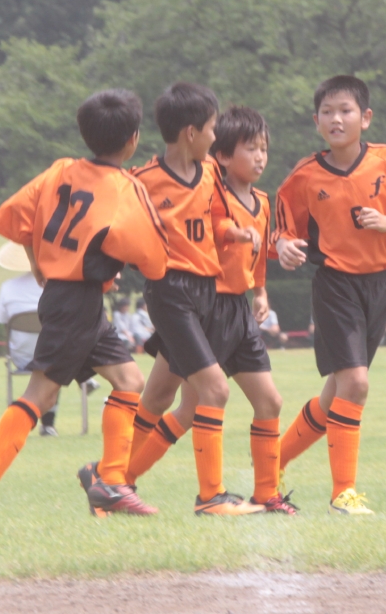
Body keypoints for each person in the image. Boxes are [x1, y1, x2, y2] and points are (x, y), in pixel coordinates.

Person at [0, 89, 168, 518]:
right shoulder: (125, 186)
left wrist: (38, 261)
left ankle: (108, 480)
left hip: (68, 297)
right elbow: (155, 258)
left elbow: (15, 216)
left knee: (128, 380)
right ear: (133, 140)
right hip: (77, 301)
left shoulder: (60, 170)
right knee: (41, 393)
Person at [274, 75, 386, 515]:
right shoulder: (305, 175)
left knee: (335, 394)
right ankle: (343, 493)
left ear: (365, 118)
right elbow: (282, 227)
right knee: (356, 383)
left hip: (381, 284)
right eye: (327, 112)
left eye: (345, 110)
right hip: (335, 285)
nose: (336, 119)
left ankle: (272, 463)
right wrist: (284, 246)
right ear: (316, 121)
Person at [126, 105, 296, 514]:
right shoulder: (210, 190)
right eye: (251, 149)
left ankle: (266, 494)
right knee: (182, 404)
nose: (260, 157)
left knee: (269, 402)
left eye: (264, 149)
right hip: (205, 306)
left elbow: (257, 257)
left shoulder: (262, 201)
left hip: (238, 310)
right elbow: (199, 232)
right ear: (221, 155)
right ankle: (118, 478)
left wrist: (260, 293)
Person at [0, 268, 64, 436]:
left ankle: (16, 419)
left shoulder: (7, 287)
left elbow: (4, 323)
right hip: (52, 357)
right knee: (56, 366)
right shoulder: (58, 287)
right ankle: (48, 424)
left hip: (21, 357)